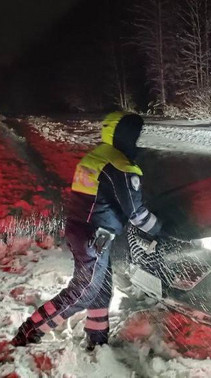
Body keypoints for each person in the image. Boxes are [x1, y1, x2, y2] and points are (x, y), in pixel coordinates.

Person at [11, 112, 162, 350]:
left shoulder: (96, 156)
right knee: (84, 292)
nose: (137, 140)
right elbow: (135, 213)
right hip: (94, 236)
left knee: (100, 289)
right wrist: (160, 229)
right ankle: (29, 331)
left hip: (81, 229)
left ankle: (97, 340)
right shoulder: (121, 165)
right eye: (134, 135)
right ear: (124, 136)